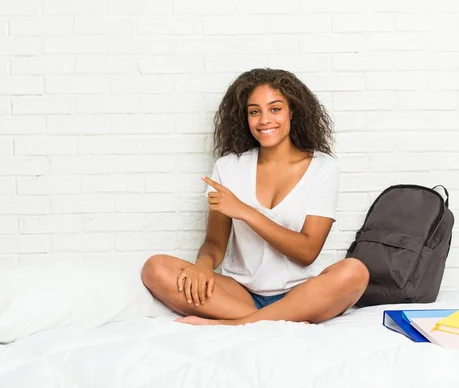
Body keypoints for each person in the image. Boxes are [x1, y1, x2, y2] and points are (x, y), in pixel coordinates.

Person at [141, 68, 369, 326]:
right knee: (156, 268)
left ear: (292, 111)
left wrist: (245, 211)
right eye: (254, 111)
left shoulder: (323, 168)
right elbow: (215, 243)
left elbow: (307, 252)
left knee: (355, 272)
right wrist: (203, 265)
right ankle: (279, 320)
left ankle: (233, 325)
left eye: (275, 109)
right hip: (241, 293)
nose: (264, 121)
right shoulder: (228, 167)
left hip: (301, 293)